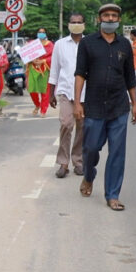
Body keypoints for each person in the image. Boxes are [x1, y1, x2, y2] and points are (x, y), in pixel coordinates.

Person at [74, 3, 136, 212]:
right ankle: (88, 176)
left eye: (114, 16)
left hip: (119, 106)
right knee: (90, 148)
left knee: (117, 152)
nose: (110, 19)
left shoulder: (125, 45)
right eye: (106, 15)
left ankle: (113, 195)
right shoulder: (88, 43)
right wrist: (77, 102)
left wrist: (134, 103)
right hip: (93, 106)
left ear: (119, 20)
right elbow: (80, 73)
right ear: (99, 19)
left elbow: (130, 76)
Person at [48, 13, 85, 178]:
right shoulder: (60, 44)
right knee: (66, 124)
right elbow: (54, 70)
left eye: (79, 22)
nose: (76, 24)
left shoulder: (89, 43)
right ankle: (63, 162)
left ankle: (78, 161)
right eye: (73, 22)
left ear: (84, 24)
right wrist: (51, 93)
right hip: (65, 91)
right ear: (68, 24)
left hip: (85, 93)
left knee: (82, 126)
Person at [27, 28, 54, 117]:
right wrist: (32, 60)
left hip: (45, 68)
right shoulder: (32, 44)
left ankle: (43, 110)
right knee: (32, 89)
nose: (41, 34)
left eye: (43, 32)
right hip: (33, 68)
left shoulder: (50, 45)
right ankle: (37, 105)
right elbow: (26, 55)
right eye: (39, 32)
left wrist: (44, 61)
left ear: (46, 34)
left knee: (45, 90)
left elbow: (54, 56)